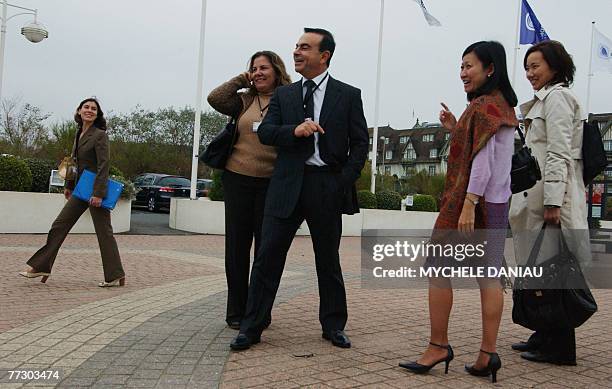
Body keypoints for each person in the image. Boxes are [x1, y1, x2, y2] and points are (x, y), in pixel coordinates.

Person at [229, 27, 369, 351]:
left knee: (328, 261)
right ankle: (252, 326)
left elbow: (360, 143)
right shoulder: (285, 95)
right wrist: (296, 130)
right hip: (287, 185)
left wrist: (342, 181)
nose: (296, 52)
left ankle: (333, 325)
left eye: (304, 47)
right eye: (295, 46)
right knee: (267, 258)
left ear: (324, 56)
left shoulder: (348, 95)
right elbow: (267, 133)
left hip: (326, 186)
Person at [399, 41, 518, 383]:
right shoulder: (502, 106)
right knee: (489, 276)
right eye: (461, 66)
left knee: (437, 268)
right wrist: (456, 128)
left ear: (490, 68)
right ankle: (487, 354)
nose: (463, 72)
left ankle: (438, 346)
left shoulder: (482, 107)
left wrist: (468, 203)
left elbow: (481, 163)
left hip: (469, 202)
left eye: (469, 66)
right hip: (497, 205)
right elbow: (490, 154)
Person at [509, 40, 590, 366]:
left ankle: (559, 347)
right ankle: (543, 334)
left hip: (550, 201)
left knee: (553, 273)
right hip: (537, 198)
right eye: (527, 67)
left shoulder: (558, 99)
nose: (530, 73)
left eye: (536, 66)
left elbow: (559, 154)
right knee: (539, 271)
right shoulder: (544, 101)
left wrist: (554, 202)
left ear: (554, 66)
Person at [207, 51, 292, 329]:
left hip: (271, 184)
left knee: (265, 251)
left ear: (277, 70)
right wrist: (242, 79)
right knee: (236, 249)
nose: (258, 73)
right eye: (254, 69)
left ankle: (258, 312)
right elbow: (215, 98)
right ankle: (236, 311)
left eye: (263, 68)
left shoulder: (289, 100)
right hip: (237, 180)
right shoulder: (243, 100)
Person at [20, 98, 126, 287]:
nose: (89, 110)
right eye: (86, 107)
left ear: (97, 114)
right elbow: (74, 163)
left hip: (94, 192)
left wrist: (99, 194)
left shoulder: (100, 135)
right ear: (78, 111)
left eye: (94, 109)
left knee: (104, 232)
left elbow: (104, 165)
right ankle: (42, 266)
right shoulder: (79, 133)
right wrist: (69, 185)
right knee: (59, 226)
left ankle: (114, 274)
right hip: (80, 189)